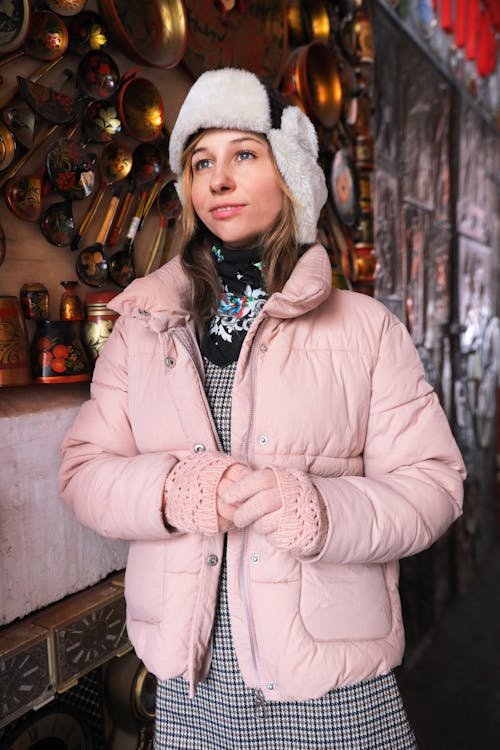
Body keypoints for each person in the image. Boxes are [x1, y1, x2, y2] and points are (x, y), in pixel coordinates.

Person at [59, 68, 466, 750]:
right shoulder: (145, 324)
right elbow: (83, 472)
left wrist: (319, 509)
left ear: (292, 176)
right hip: (196, 687)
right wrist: (171, 490)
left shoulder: (365, 329)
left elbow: (433, 487)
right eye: (201, 162)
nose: (218, 180)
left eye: (244, 155)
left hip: (332, 683)